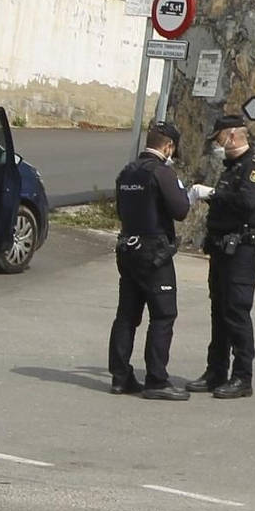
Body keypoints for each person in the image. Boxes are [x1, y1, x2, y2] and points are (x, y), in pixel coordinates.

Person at [187, 115, 255, 399]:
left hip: (243, 250)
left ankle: (242, 377)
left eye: (220, 138)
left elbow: (247, 201)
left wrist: (212, 194)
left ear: (233, 136)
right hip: (222, 248)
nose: (218, 145)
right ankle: (215, 372)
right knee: (219, 311)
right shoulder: (232, 168)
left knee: (236, 311)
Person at [108, 120, 190, 401]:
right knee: (163, 315)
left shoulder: (127, 172)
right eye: (172, 149)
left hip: (128, 248)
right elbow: (180, 210)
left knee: (127, 316)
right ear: (168, 146)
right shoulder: (162, 174)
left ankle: (120, 377)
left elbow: (121, 210)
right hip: (154, 253)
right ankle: (156, 379)